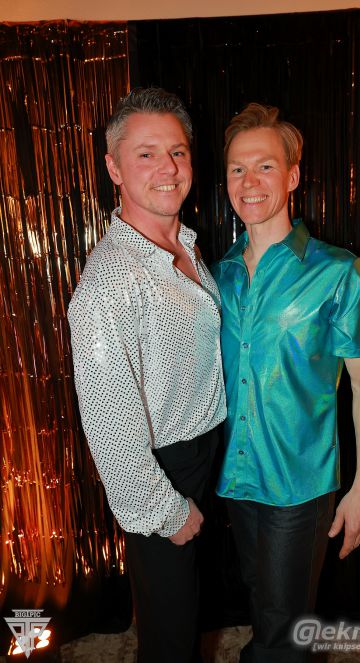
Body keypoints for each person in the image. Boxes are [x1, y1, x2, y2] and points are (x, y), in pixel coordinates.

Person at [211, 103, 360, 662]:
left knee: (283, 636)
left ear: (292, 176)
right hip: (237, 480)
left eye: (265, 166)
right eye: (238, 169)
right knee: (266, 609)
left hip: (299, 486)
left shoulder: (338, 272)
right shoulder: (218, 275)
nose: (249, 181)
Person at [68, 87, 226, 663]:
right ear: (114, 168)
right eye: (146, 154)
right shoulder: (110, 281)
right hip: (162, 472)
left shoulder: (184, 244)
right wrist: (165, 510)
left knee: (190, 616)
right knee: (170, 639)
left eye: (178, 152)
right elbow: (109, 424)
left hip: (205, 453)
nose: (168, 168)